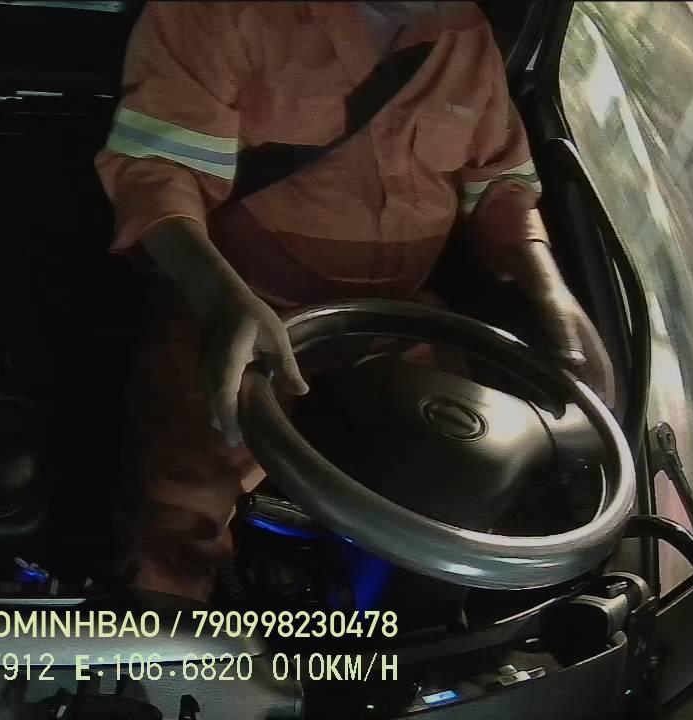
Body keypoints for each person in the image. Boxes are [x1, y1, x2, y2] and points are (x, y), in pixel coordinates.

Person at [95, 1, 614, 602]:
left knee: (466, 485)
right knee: (182, 488)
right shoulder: (217, 13)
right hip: (238, 304)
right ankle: (169, 629)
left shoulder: (463, 33)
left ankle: (388, 631)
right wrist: (218, 297)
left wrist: (551, 290)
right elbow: (157, 173)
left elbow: (500, 183)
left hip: (400, 319)